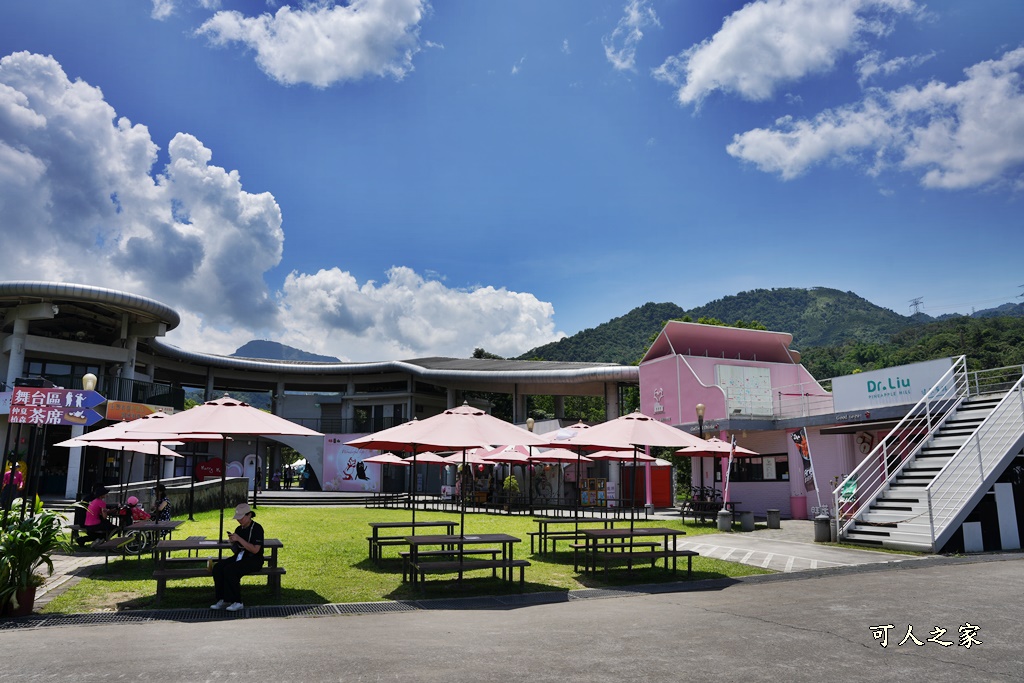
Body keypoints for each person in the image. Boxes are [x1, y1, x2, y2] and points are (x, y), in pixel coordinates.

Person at [210, 503, 264, 612]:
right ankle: (224, 599)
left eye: (241, 518)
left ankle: (237, 601)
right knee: (218, 568)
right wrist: (232, 543)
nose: (239, 521)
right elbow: (237, 550)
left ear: (249, 515)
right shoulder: (239, 529)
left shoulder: (257, 528)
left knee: (231, 570)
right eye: (238, 519)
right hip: (240, 556)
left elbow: (255, 550)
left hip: (254, 559)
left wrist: (239, 539)